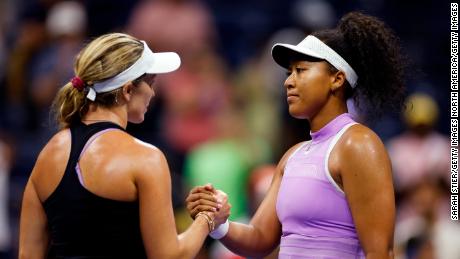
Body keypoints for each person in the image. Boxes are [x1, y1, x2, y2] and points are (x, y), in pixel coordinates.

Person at [187, 11, 406, 258]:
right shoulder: (293, 155)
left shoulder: (359, 145)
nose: (288, 82)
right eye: (288, 73)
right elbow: (259, 239)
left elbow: (380, 253)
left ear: (337, 79)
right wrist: (217, 223)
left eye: (301, 70)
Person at [19, 32, 229, 258]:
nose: (153, 92)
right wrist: (208, 218)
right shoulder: (146, 158)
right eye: (150, 83)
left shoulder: (48, 153)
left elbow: (28, 255)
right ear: (128, 90)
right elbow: (169, 256)